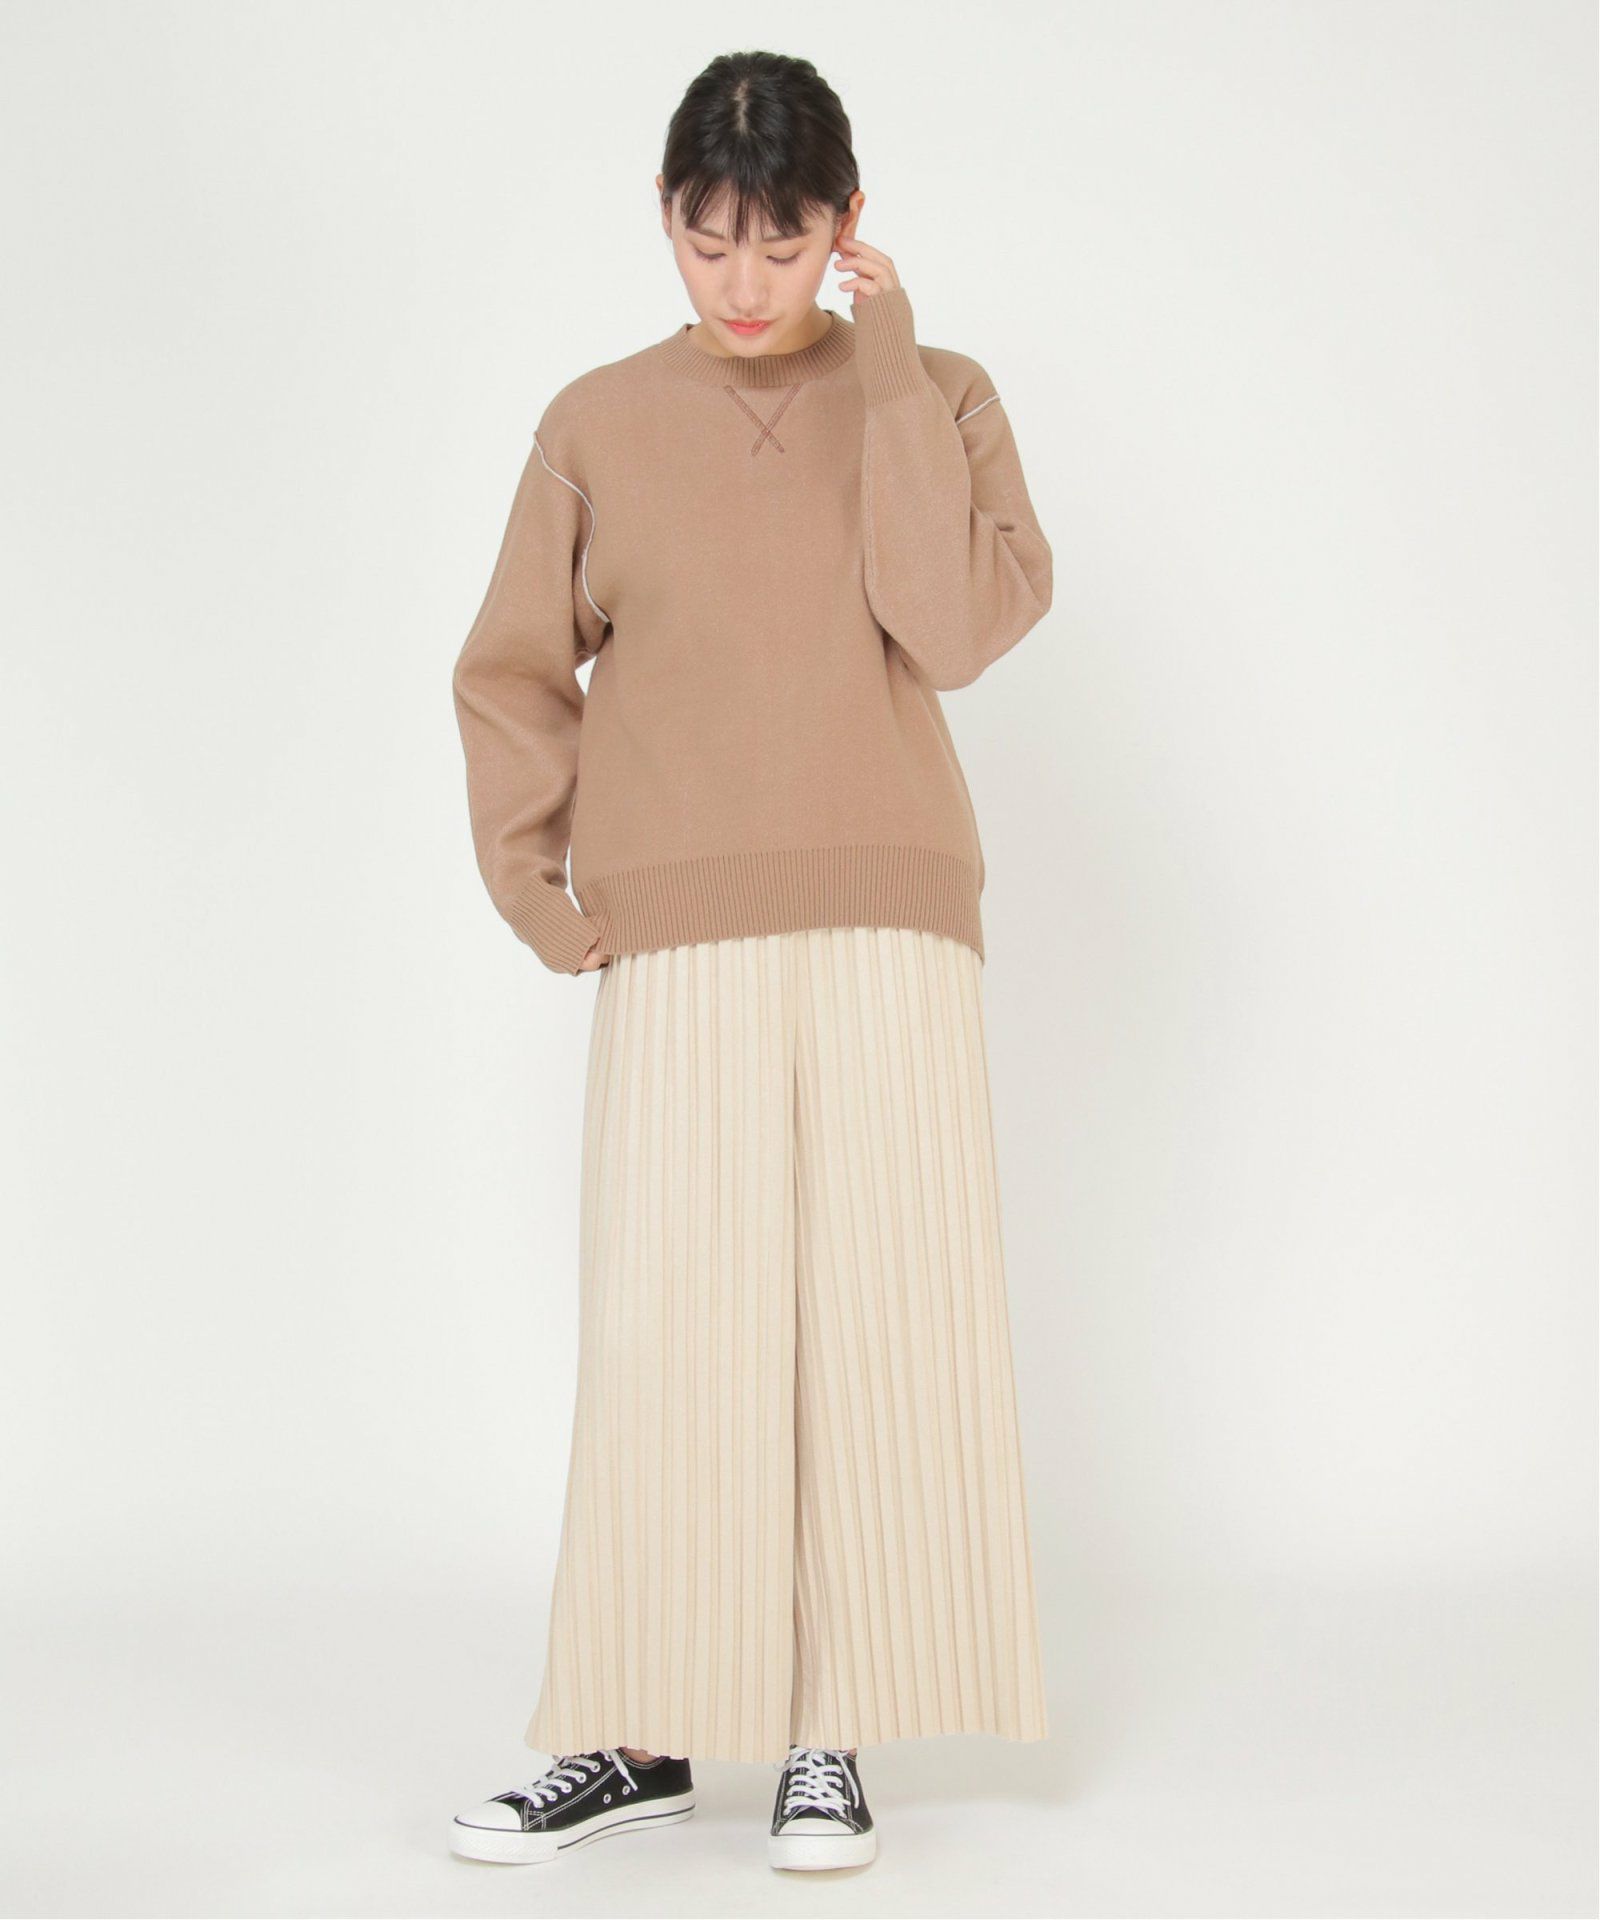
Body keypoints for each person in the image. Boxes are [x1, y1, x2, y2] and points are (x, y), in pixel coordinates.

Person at [445, 48, 1054, 1876]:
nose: (742, 283)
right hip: (681, 926)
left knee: (876, 1325)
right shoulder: (596, 421)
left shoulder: (937, 392)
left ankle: (826, 1734)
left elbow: (950, 627)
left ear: (845, 226)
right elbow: (511, 668)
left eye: (782, 245)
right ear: (666, 217)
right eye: (709, 241)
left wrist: (888, 364)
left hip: (889, 915)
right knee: (670, 1331)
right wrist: (531, 881)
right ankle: (635, 1734)